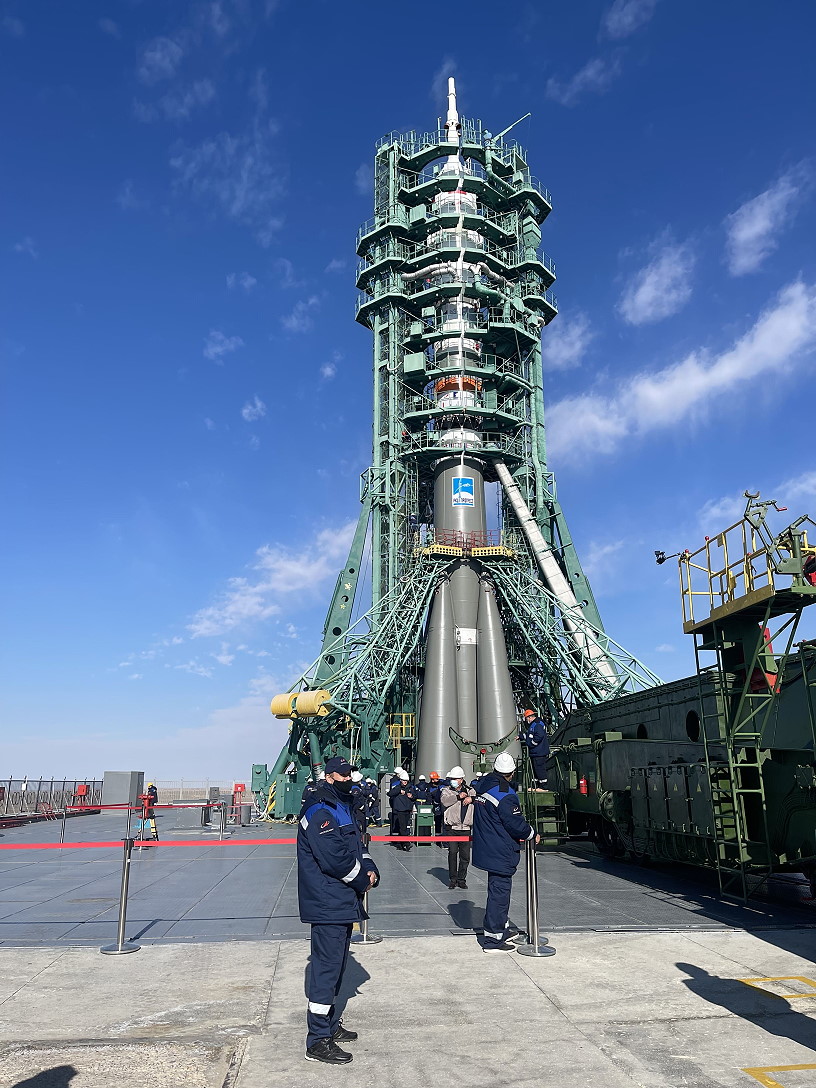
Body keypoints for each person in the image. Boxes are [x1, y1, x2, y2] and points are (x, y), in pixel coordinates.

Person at [297, 756, 380, 1064]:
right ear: (329, 777)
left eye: (350, 775)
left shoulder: (342, 806)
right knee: (326, 970)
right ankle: (317, 1041)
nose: (348, 779)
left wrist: (371, 869)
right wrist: (362, 879)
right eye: (343, 775)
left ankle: (330, 1026)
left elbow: (358, 845)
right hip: (328, 902)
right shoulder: (320, 811)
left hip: (342, 901)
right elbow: (334, 859)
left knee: (338, 968)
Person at [472, 752, 538, 953]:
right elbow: (515, 823)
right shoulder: (505, 794)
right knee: (499, 895)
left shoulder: (484, 786)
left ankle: (501, 930)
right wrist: (531, 833)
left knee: (496, 892)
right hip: (500, 850)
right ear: (511, 773)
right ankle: (493, 941)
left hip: (487, 848)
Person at [440, 766, 475, 889]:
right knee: (453, 853)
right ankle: (453, 879)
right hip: (452, 829)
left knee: (465, 856)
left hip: (465, 829)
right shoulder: (447, 791)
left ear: (461, 779)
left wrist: (472, 799)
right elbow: (445, 801)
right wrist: (458, 797)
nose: (453, 781)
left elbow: (479, 801)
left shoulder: (471, 791)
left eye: (455, 779)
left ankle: (462, 879)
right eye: (452, 779)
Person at [521, 708, 551, 788]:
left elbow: (539, 736)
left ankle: (543, 787)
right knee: (536, 770)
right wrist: (520, 736)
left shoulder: (537, 724)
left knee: (540, 770)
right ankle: (537, 786)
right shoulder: (534, 724)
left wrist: (532, 744)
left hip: (539, 752)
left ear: (529, 717)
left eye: (526, 718)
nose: (526, 720)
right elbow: (529, 735)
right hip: (535, 753)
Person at [388, 769, 416, 850]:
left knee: (403, 827)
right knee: (402, 827)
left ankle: (400, 844)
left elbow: (415, 796)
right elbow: (390, 793)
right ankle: (406, 843)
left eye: (406, 781)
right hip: (400, 810)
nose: (405, 782)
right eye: (403, 780)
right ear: (400, 780)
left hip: (407, 809)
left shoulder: (411, 787)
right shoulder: (397, 788)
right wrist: (399, 791)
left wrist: (411, 796)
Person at [428, 771, 444, 845]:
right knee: (437, 823)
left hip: (443, 806)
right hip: (436, 807)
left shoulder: (441, 784)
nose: (437, 780)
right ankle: (438, 840)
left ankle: (443, 839)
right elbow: (429, 798)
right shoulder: (429, 788)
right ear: (432, 780)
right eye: (436, 779)